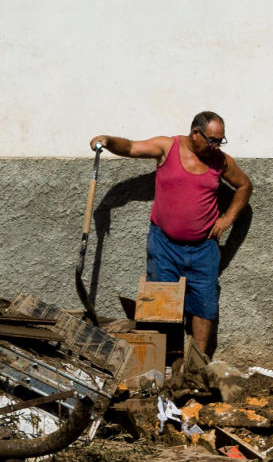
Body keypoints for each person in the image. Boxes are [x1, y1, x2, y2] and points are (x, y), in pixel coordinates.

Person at [90, 111, 253, 357]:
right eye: (212, 140)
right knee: (160, 307)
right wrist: (108, 140)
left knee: (204, 307)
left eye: (220, 141)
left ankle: (196, 368)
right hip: (164, 245)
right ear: (196, 133)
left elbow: (245, 186)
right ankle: (161, 363)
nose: (216, 146)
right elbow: (132, 147)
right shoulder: (168, 146)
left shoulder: (221, 161)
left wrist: (228, 218)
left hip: (204, 248)